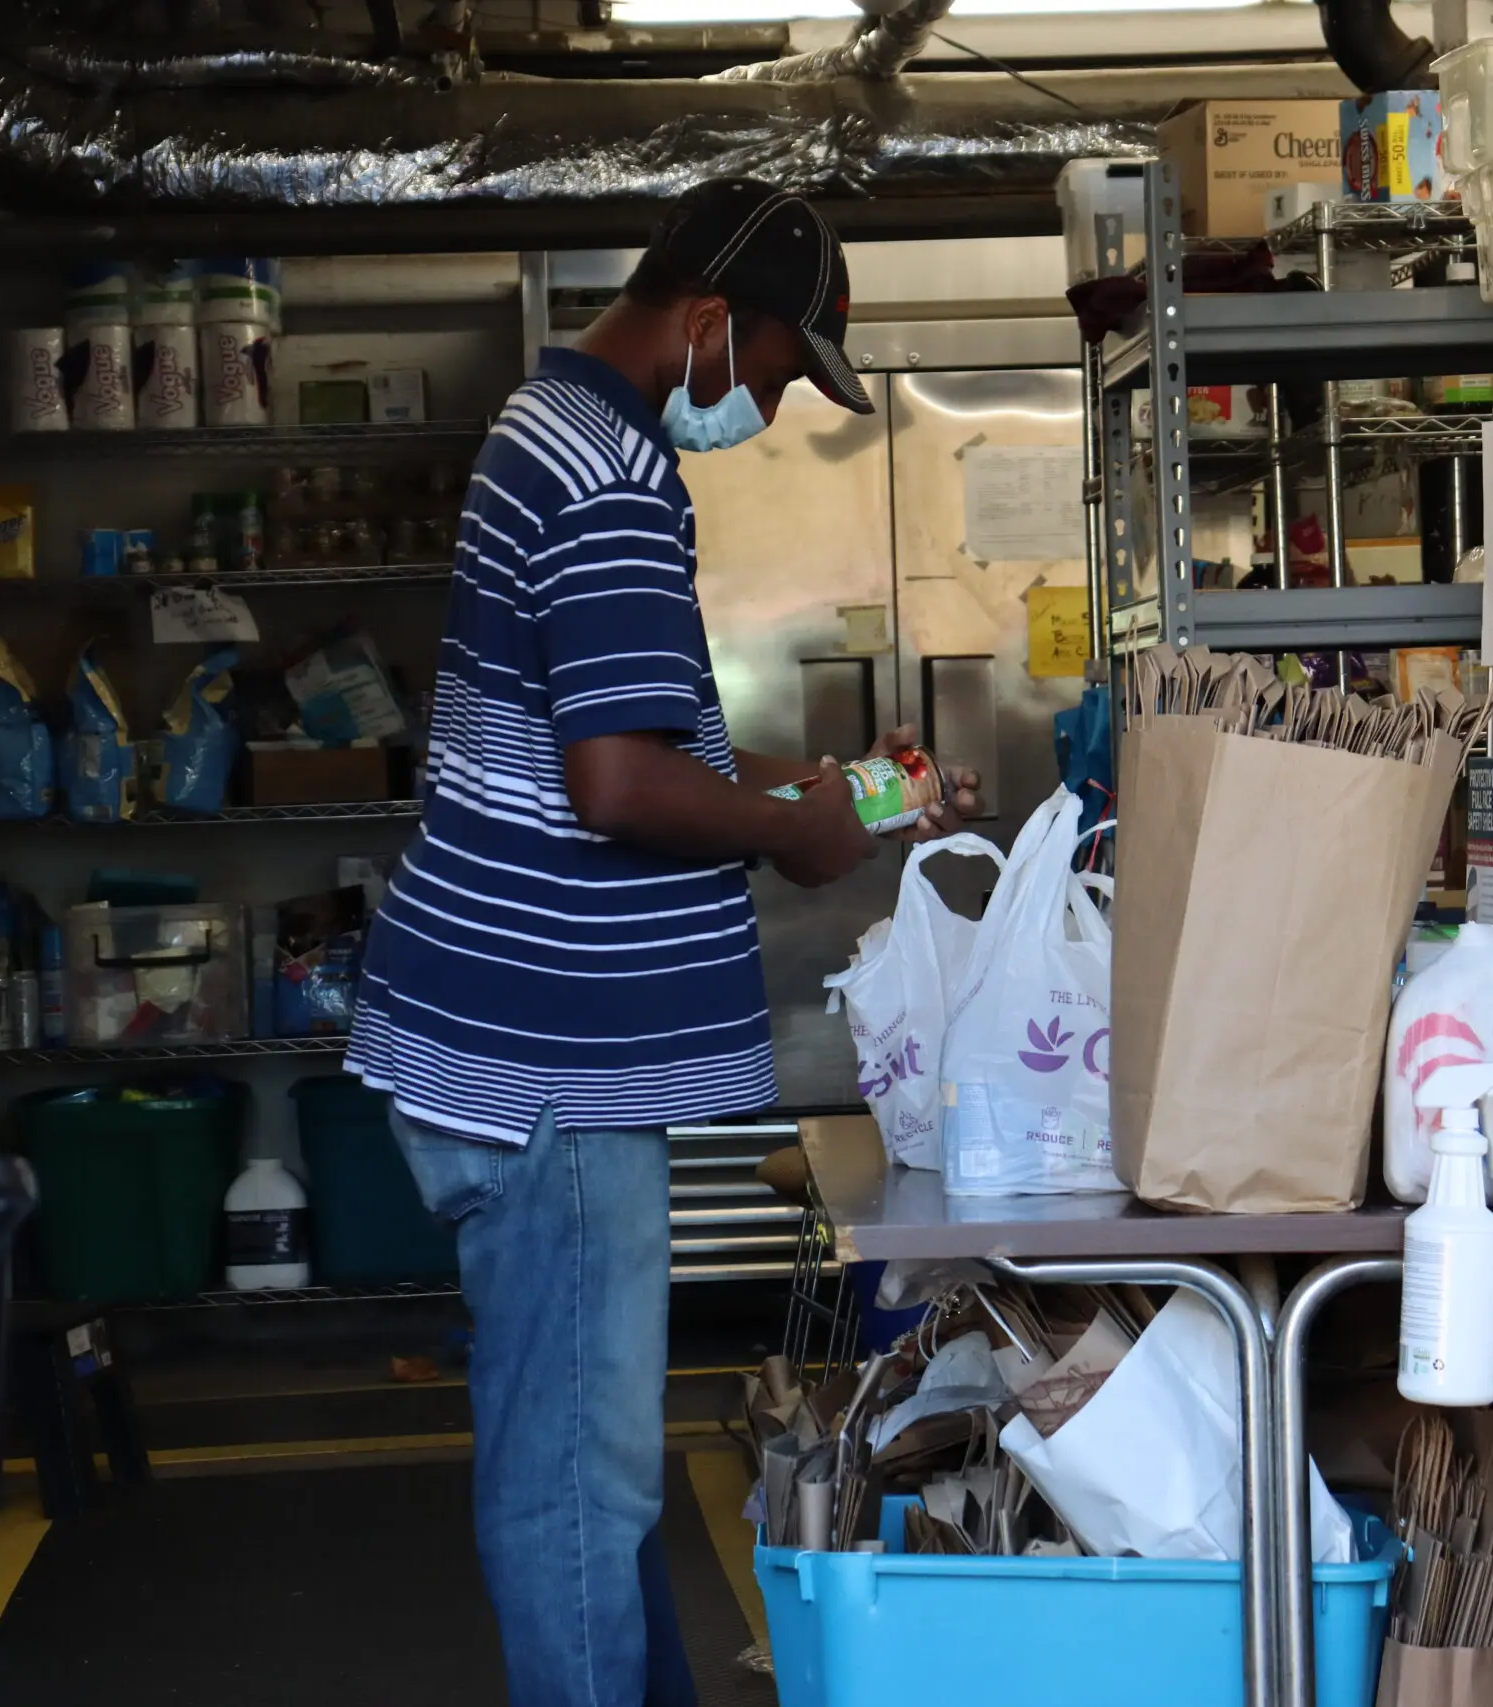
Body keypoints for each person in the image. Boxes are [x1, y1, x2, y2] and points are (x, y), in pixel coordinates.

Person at [345, 177, 981, 1707]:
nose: (765, 408)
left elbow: (658, 735)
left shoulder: (551, 430)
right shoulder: (613, 475)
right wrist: (804, 836)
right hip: (545, 1072)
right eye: (769, 372)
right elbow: (618, 785)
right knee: (579, 1486)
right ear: (705, 320)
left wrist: (846, 788)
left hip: (501, 1052)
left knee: (590, 1463)